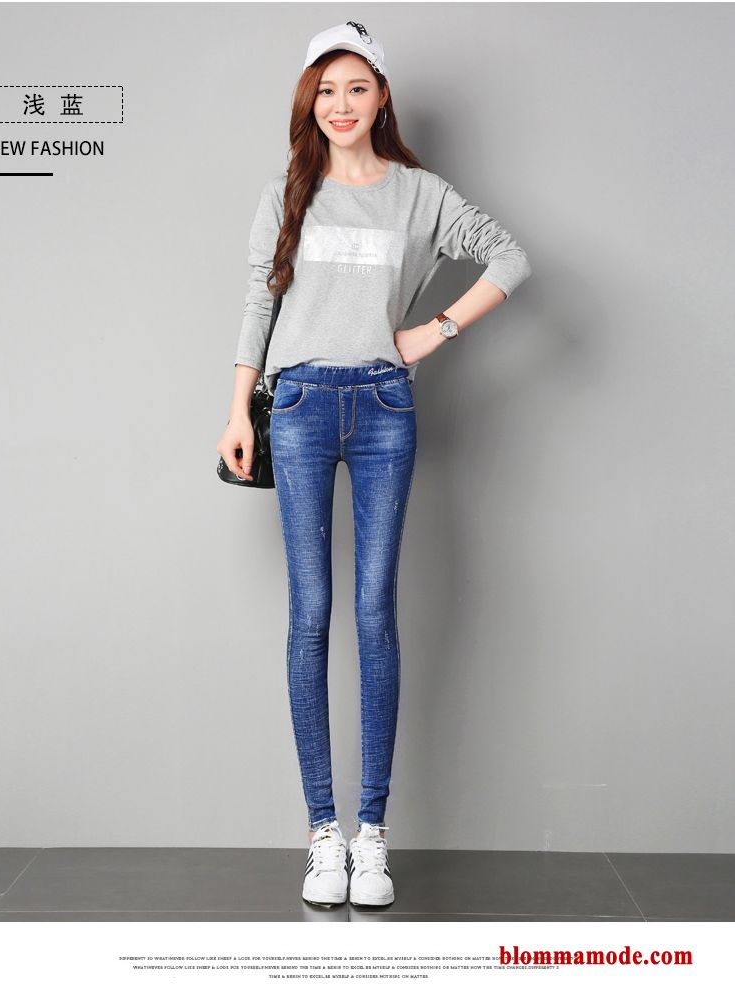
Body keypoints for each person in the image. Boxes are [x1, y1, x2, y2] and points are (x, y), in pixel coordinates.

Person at [216, 21, 532, 908]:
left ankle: (372, 832)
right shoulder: (287, 192)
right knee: (311, 611)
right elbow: (259, 303)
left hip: (387, 408)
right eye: (326, 90)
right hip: (299, 408)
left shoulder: (421, 195)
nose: (341, 104)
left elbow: (512, 257)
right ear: (309, 102)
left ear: (382, 94)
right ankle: (322, 832)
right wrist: (237, 409)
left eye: (357, 87)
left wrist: (435, 330)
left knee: (374, 611)